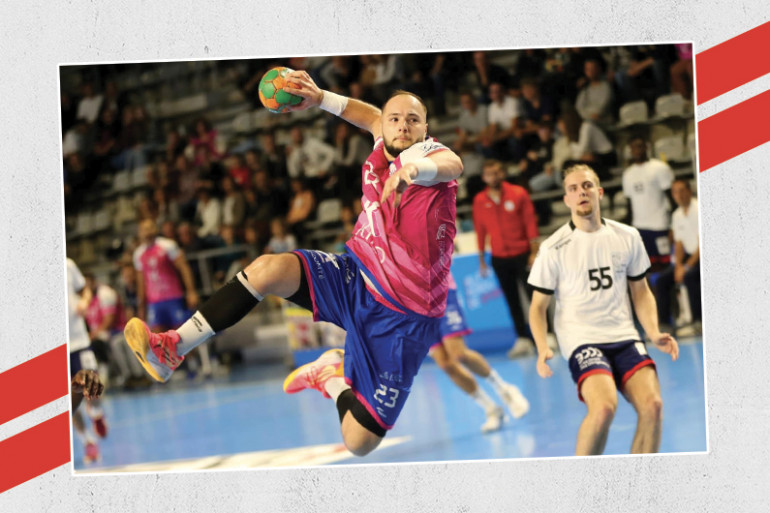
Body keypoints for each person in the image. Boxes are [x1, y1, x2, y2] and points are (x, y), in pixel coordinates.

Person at [124, 70, 463, 457]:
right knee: (269, 269)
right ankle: (172, 347)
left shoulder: (429, 156)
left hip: (405, 314)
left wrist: (413, 171)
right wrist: (320, 98)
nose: (403, 126)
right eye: (395, 118)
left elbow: (452, 163)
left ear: (425, 129)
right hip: (356, 276)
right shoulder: (381, 138)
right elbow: (369, 116)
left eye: (413, 120)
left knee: (359, 441)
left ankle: (331, 377)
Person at [528, 164, 679, 456]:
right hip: (581, 339)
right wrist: (542, 346)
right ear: (566, 200)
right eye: (573, 189)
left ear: (599, 192)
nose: (581, 192)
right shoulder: (553, 248)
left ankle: (642, 480)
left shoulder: (627, 236)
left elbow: (640, 290)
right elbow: (538, 307)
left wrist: (653, 331)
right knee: (603, 409)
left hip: (623, 335)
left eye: (586, 186)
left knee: (654, 406)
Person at [429, 273, 529, 433]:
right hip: (415, 305)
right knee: (445, 364)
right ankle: (491, 408)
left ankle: (504, 389)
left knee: (459, 354)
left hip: (440, 291)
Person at [472, 160, 538, 358]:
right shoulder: (479, 200)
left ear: (503, 173)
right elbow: (480, 230)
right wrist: (481, 258)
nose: (493, 177)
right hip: (499, 257)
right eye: (489, 174)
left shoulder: (518, 193)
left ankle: (546, 335)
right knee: (512, 300)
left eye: (496, 172)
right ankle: (523, 339)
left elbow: (531, 223)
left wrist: (534, 252)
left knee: (534, 298)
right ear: (484, 178)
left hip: (523, 254)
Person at [66, 258, 108, 464]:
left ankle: (97, 412)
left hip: (79, 340)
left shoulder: (67, 264)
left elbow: (86, 290)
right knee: (68, 400)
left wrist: (84, 301)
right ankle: (87, 441)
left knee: (93, 387)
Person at [133, 218, 199, 331]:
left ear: (155, 229)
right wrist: (141, 306)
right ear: (139, 233)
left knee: (181, 333)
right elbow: (141, 282)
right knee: (157, 336)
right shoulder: (138, 254)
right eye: (143, 230)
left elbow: (184, 268)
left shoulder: (167, 245)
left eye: (149, 228)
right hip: (154, 302)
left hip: (174, 297)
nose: (147, 232)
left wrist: (191, 291)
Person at [622, 135, 675, 271]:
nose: (637, 150)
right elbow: (629, 205)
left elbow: (672, 198)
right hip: (640, 228)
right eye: (633, 148)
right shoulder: (628, 174)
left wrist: (673, 224)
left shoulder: (659, 168)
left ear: (646, 147)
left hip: (660, 225)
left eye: (640, 146)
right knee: (648, 266)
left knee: (666, 264)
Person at [654, 179, 701, 334]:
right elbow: (679, 243)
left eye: (682, 190)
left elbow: (703, 243)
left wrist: (685, 267)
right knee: (662, 280)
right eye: (675, 192)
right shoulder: (677, 215)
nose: (679, 195)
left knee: (690, 277)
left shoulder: (700, 209)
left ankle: (698, 322)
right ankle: (664, 324)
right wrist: (678, 266)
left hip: (703, 257)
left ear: (689, 191)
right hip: (688, 256)